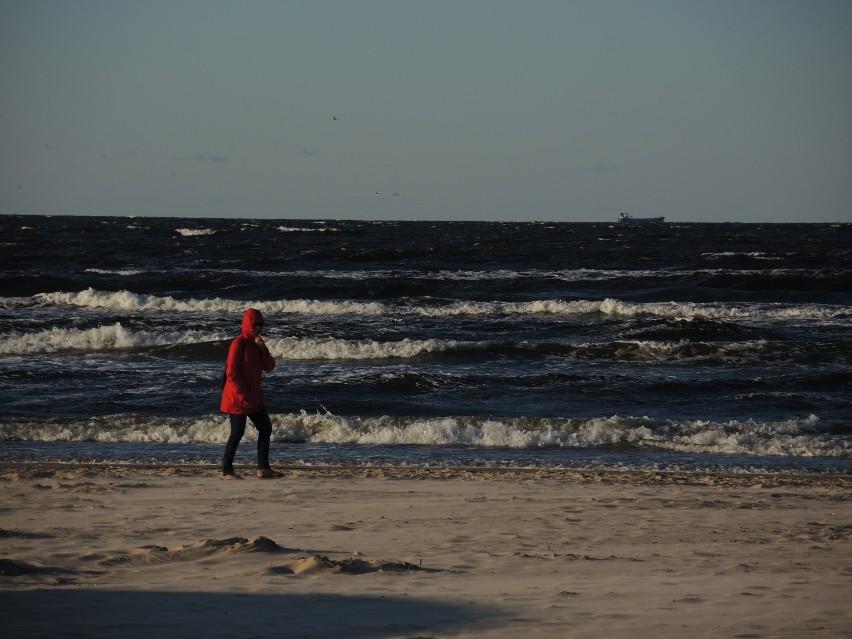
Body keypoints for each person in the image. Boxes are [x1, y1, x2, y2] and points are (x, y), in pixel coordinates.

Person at [219, 308, 278, 479]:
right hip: (237, 398)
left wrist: (264, 349)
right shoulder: (239, 343)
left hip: (254, 397)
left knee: (265, 428)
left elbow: (270, 367)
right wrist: (243, 396)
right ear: (247, 324)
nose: (258, 328)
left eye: (261, 324)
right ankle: (226, 470)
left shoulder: (257, 343)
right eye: (255, 324)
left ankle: (263, 468)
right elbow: (232, 374)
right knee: (237, 433)